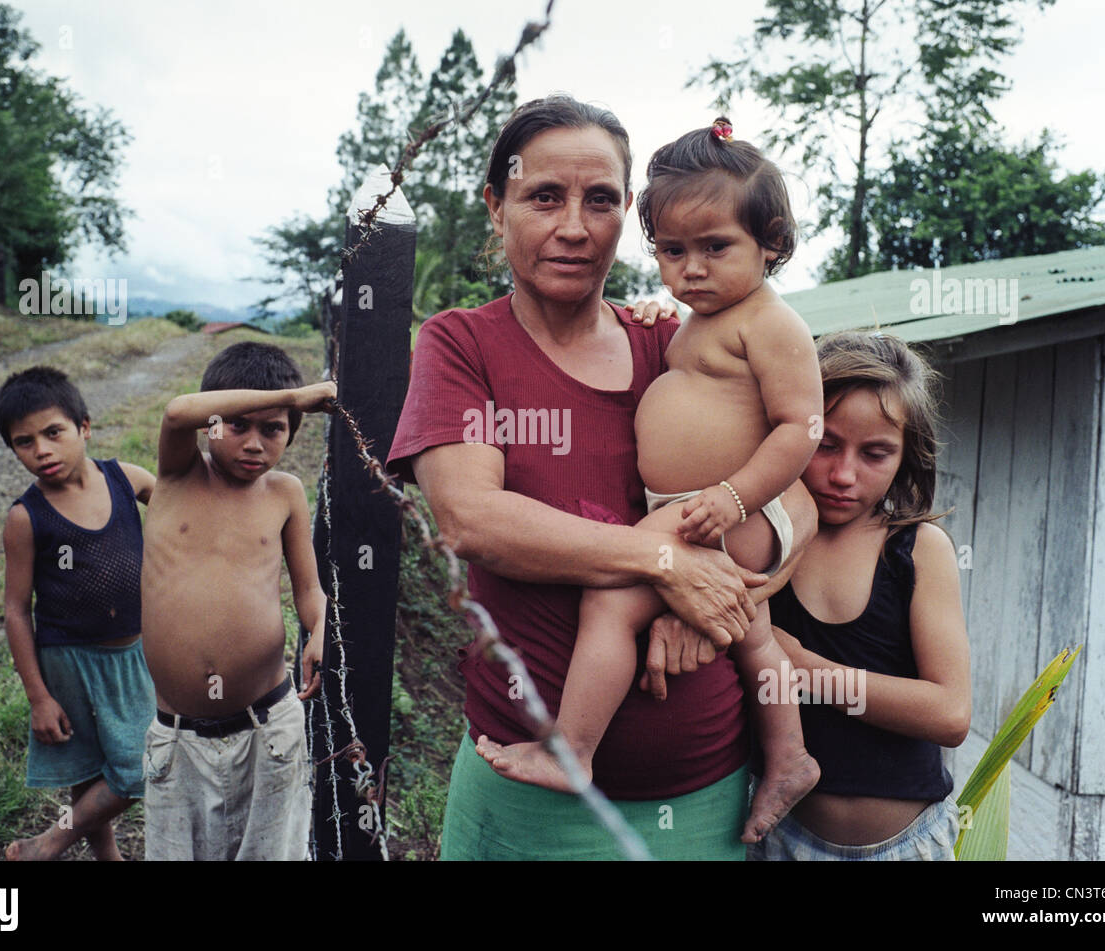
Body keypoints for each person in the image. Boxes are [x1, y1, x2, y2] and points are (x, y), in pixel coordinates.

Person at [387, 95, 817, 860]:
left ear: (625, 212)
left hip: (700, 793)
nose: (575, 226)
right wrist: (666, 564)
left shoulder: (674, 345)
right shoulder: (463, 345)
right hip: (520, 799)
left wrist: (718, 593)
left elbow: (800, 496)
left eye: (601, 199)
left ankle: (786, 754)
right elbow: (473, 520)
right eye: (543, 196)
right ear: (496, 205)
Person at [749, 331, 971, 860]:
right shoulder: (761, 537)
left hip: (906, 847)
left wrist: (801, 668)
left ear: (906, 456)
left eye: (875, 453)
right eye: (825, 444)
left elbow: (950, 714)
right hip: (776, 839)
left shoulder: (917, 550)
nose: (843, 475)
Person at [139, 341, 335, 861]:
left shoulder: (285, 493)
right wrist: (295, 395)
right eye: (237, 425)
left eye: (273, 429)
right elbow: (177, 410)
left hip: (267, 727)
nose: (254, 444)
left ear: (291, 432)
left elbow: (308, 590)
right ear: (211, 426)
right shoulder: (181, 476)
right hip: (179, 740)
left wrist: (318, 630)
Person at [0, 366, 156, 861]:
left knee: (140, 766)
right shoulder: (26, 518)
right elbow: (17, 611)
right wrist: (38, 696)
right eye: (24, 442)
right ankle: (106, 856)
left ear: (84, 427)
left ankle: (50, 843)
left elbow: (179, 503)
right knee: (88, 767)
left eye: (53, 433)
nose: (41, 450)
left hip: (135, 652)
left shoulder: (127, 480)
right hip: (66, 658)